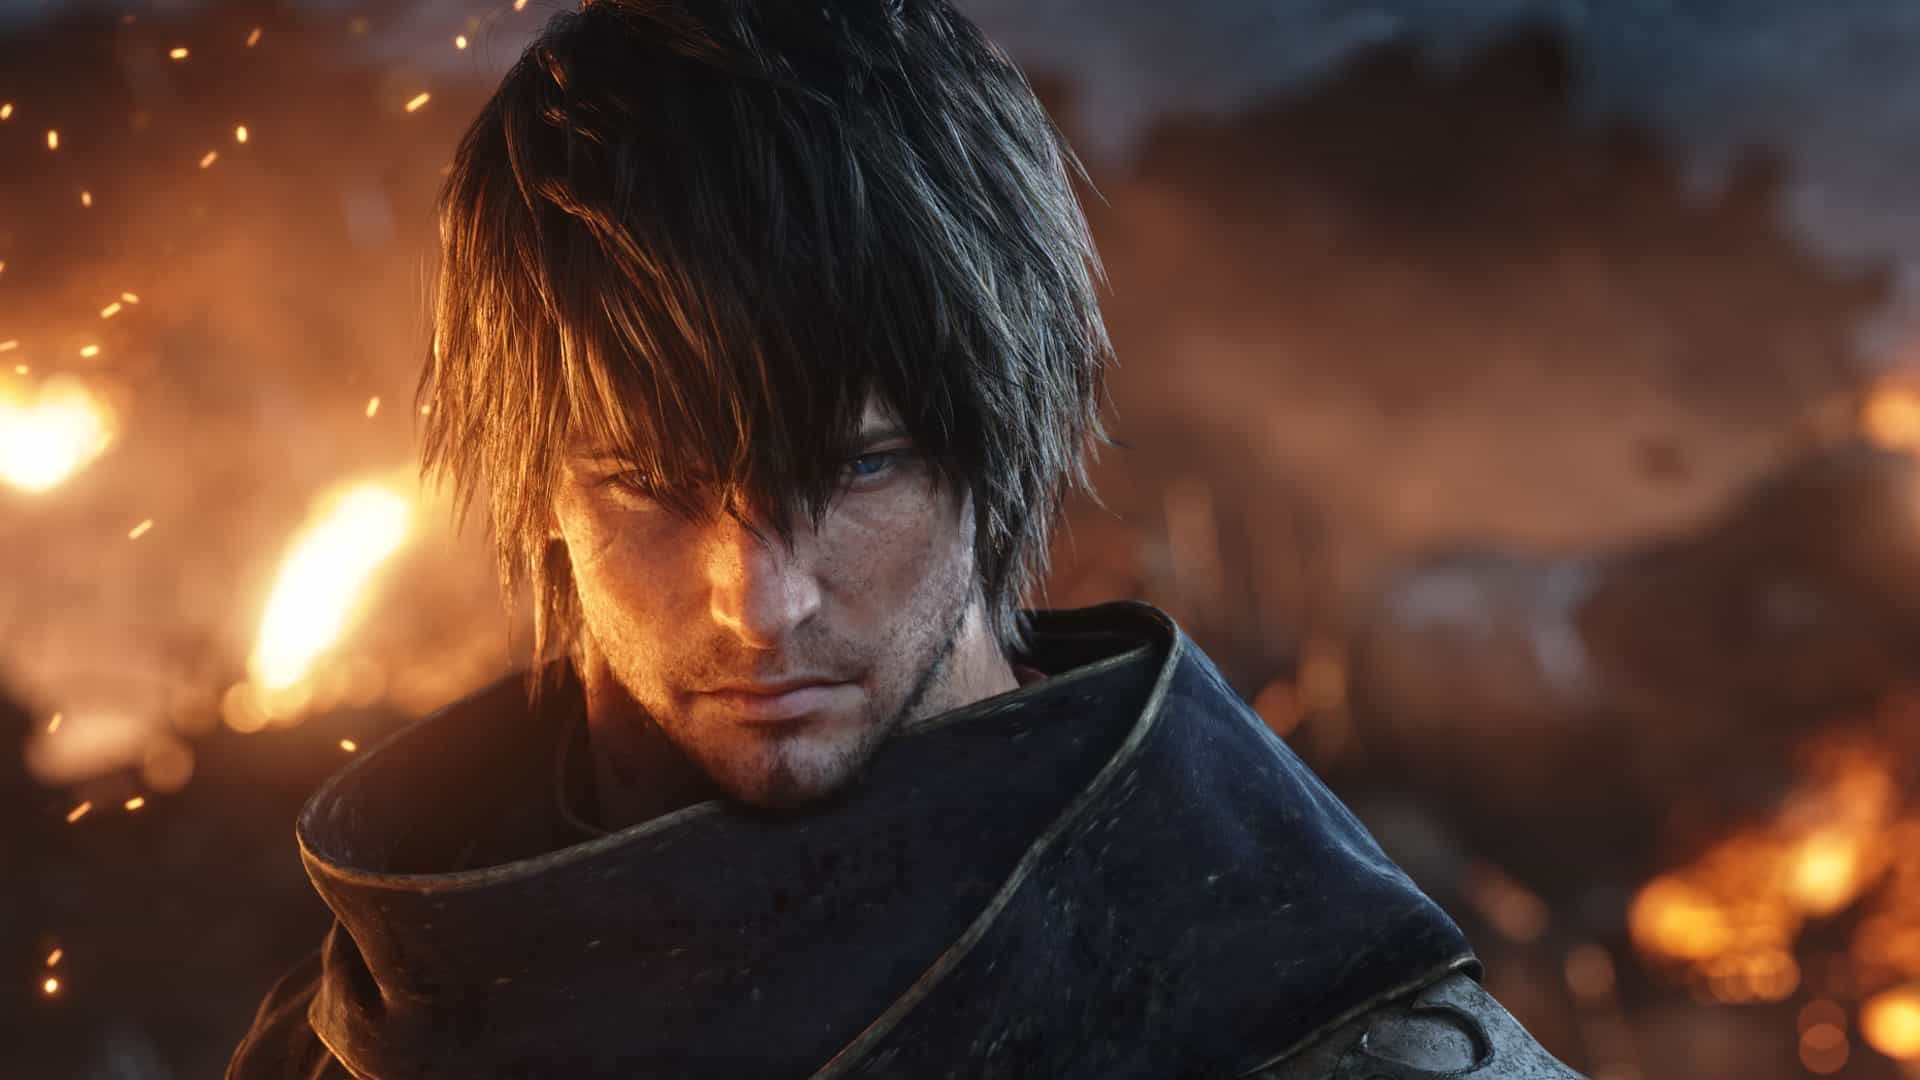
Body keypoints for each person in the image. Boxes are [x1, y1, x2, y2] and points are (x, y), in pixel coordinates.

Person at [229, 1, 1580, 1075]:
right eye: (648, 485)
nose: (761, 602)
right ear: (543, 489)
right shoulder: (353, 1035)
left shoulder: (1320, 1026)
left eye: (862, 468)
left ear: (997, 448)